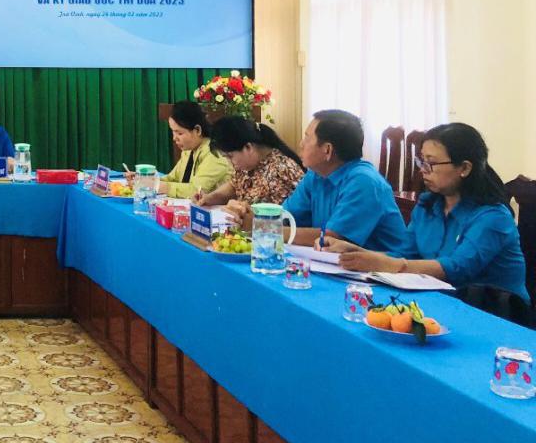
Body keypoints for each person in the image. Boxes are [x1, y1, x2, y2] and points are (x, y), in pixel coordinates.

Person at [325, 123, 529, 301]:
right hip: (438, 299)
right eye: (421, 161)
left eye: (431, 163)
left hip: (495, 310)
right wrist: (356, 252)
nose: (423, 169)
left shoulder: (493, 216)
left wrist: (389, 264)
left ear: (465, 168)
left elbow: (457, 270)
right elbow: (404, 254)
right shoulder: (428, 205)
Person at [229, 109, 408, 250]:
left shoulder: (364, 183)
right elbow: (286, 217)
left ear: (327, 150)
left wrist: (262, 228)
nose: (300, 144)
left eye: (307, 138)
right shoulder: (316, 175)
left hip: (385, 276)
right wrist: (251, 215)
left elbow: (332, 239)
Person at [197, 116, 304, 209]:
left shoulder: (282, 169)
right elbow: (234, 186)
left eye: (230, 156)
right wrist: (210, 197)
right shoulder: (246, 166)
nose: (230, 163)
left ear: (248, 147)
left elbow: (288, 217)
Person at [154, 101, 232, 199]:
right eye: (173, 132)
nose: (174, 138)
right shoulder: (188, 150)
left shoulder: (215, 153)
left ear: (197, 130)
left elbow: (195, 191)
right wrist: (145, 179)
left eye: (179, 133)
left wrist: (158, 186)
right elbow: (172, 178)